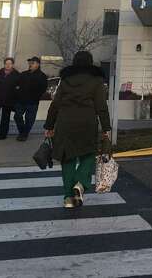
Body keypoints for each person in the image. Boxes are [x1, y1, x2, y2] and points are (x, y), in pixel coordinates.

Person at [43, 51, 111, 209]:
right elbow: (101, 106)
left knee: (67, 159)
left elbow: (56, 104)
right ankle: (80, 184)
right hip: (87, 122)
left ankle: (68, 198)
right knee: (88, 154)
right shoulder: (96, 80)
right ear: (90, 62)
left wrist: (49, 125)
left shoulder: (65, 80)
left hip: (65, 122)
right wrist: (106, 128)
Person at [14, 56, 48, 141]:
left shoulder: (42, 76)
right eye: (30, 63)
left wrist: (36, 96)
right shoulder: (24, 74)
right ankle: (22, 132)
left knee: (29, 119)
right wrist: (18, 92)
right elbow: (17, 84)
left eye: (33, 63)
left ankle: (24, 134)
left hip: (33, 101)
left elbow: (43, 88)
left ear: (38, 64)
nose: (30, 64)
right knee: (17, 116)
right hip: (21, 100)